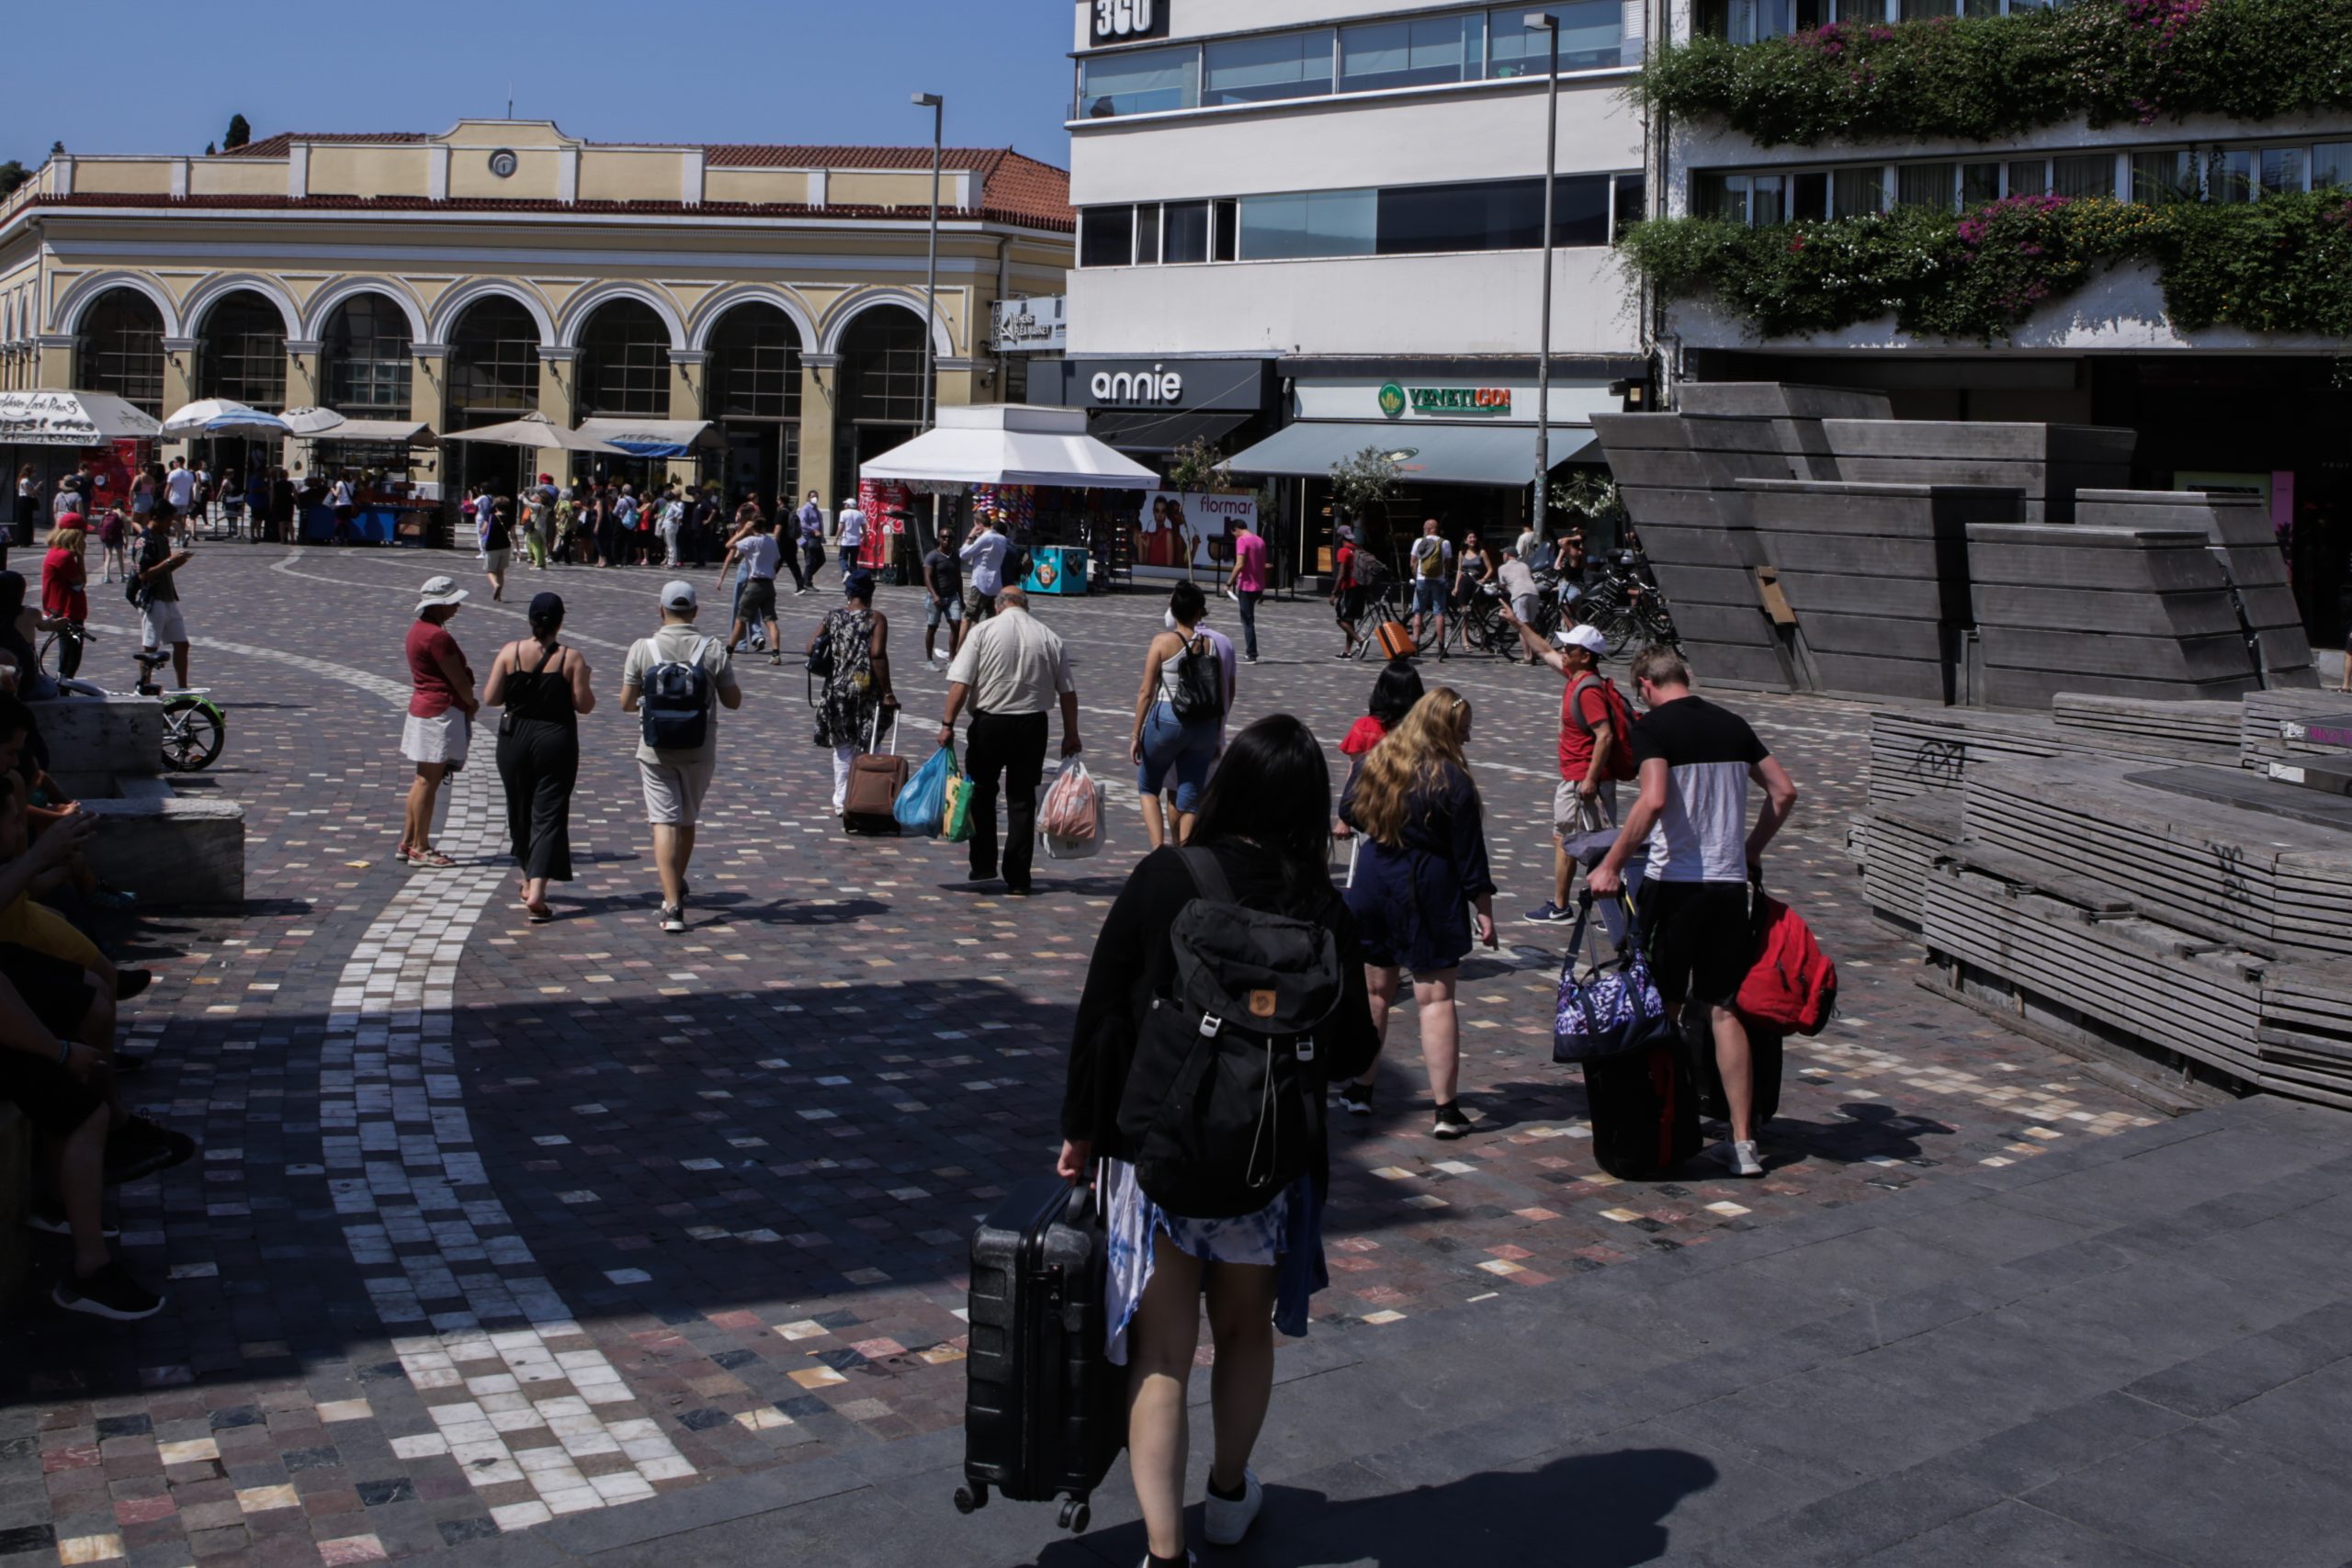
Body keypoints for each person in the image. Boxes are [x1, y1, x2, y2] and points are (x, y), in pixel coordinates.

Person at [1060, 714, 1380, 1565]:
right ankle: (1230, 1495)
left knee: (1162, 1351)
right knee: (1244, 1332)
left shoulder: (1170, 876)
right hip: (1266, 1159)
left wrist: (1080, 1131)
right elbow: (1354, 1053)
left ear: (1229, 781)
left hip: (1158, 1152)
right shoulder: (1320, 904)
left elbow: (1102, 1016)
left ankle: (1165, 1551)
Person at [1588, 646, 1801, 1179]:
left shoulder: (1653, 727)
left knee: (1663, 1007)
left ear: (1644, 684)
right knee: (1725, 1009)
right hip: (1729, 887)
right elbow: (1784, 791)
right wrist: (1750, 849)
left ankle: (1667, 1124)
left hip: (1675, 885)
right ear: (1685, 676)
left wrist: (1612, 864)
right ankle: (1744, 1143)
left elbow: (1653, 799)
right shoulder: (1733, 724)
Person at [1338, 688, 1497, 1134]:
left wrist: (1385, 825)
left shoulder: (1377, 760)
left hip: (1375, 878)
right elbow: (1470, 857)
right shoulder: (1452, 780)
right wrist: (1484, 910)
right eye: (1462, 731)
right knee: (1436, 997)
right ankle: (1446, 1110)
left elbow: (1348, 808)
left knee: (1375, 992)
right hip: (1429, 885)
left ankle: (1361, 1088)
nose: (1467, 739)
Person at [937, 585, 1080, 897]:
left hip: (990, 722)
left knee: (982, 792)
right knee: (1022, 798)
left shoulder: (982, 632)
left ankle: (984, 862)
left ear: (999, 605)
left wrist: (947, 723)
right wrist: (1071, 733)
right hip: (1032, 724)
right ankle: (1018, 876)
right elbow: (1067, 692)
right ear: (1025, 606)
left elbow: (961, 682)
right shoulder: (1048, 636)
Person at [621, 581, 741, 933]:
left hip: (655, 748)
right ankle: (677, 881)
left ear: (661, 610)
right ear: (695, 611)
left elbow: (626, 704)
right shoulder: (713, 648)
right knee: (686, 820)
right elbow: (733, 701)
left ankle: (672, 904)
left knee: (663, 820)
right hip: (699, 747)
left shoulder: (643, 649)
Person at [484, 592, 594, 923]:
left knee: (519, 807)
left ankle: (527, 877)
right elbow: (584, 705)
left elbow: (491, 698)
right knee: (549, 813)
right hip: (555, 738)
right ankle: (537, 891)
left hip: (513, 737)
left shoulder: (510, 652)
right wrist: (585, 678)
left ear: (530, 620)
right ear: (560, 621)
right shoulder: (570, 658)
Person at [1128, 581, 1224, 852]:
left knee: (1148, 786)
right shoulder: (1211, 645)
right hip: (1203, 724)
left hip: (1167, 718)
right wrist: (1216, 735)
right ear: (1199, 613)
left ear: (1173, 610)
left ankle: (1159, 851)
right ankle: (1186, 854)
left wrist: (1136, 733)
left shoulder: (1162, 642)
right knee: (1190, 797)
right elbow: (1220, 696)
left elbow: (1146, 691)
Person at [400, 578, 477, 869]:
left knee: (421, 780)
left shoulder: (417, 631)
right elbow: (457, 679)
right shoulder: (437, 637)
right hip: (439, 711)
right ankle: (421, 846)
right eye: (453, 602)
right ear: (439, 605)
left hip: (422, 708)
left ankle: (408, 841)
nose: (457, 606)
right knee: (427, 782)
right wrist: (471, 702)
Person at [811, 571, 898, 818]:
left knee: (842, 743)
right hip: (865, 688)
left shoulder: (832, 616)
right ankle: (863, 794)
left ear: (848, 592)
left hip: (836, 688)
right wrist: (888, 692)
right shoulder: (876, 619)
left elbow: (810, 647)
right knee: (869, 741)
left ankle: (841, 799)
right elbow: (877, 654)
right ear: (871, 593)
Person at [1330, 659, 1425, 851]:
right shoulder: (1421, 731)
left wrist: (1344, 818)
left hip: (1373, 809)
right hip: (1414, 810)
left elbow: (1355, 775)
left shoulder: (1364, 727)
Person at [134, 506, 193, 690]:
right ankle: (145, 686)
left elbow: (164, 570)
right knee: (150, 647)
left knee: (182, 644)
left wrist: (176, 563)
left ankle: (182, 688)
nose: (170, 524)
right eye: (168, 520)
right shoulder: (144, 540)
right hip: (153, 599)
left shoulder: (162, 538)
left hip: (168, 597)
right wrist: (169, 561)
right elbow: (143, 575)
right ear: (155, 518)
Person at [719, 515, 785, 663]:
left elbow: (728, 545)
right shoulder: (772, 542)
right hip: (768, 584)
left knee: (741, 618)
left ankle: (729, 650)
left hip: (754, 584)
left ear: (752, 527)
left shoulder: (750, 541)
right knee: (770, 620)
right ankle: (776, 653)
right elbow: (776, 561)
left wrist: (742, 533)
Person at [40, 525, 89, 681]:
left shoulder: (56, 552)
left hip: (62, 609)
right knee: (70, 659)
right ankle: (62, 691)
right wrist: (80, 555)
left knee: (68, 654)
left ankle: (63, 688)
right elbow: (80, 582)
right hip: (67, 612)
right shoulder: (64, 557)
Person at [1226, 513, 1270, 664]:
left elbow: (1240, 564)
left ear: (1236, 529)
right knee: (1249, 619)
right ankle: (1251, 652)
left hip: (1247, 586)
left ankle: (1251, 654)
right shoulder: (1260, 541)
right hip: (1259, 585)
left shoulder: (1242, 540)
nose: (1235, 538)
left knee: (1247, 620)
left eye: (1234, 534)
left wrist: (1229, 582)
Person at [1408, 518, 1452, 659]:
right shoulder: (1445, 543)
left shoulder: (1418, 542)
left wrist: (1416, 575)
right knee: (1439, 613)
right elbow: (1448, 563)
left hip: (1422, 579)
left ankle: (1415, 646)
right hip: (1438, 580)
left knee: (1418, 612)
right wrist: (1444, 574)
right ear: (1436, 529)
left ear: (1427, 528)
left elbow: (1412, 562)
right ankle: (1441, 647)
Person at [921, 529, 965, 668]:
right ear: (938, 539)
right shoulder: (932, 556)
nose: (946, 540)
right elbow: (927, 578)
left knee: (956, 625)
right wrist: (934, 596)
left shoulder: (955, 557)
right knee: (932, 627)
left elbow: (958, 578)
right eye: (943, 537)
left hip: (952, 597)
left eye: (950, 537)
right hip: (936, 597)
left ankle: (952, 659)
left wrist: (961, 598)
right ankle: (929, 660)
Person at [959, 513, 1009, 626]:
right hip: (995, 584)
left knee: (968, 617)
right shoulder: (1002, 539)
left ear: (979, 525)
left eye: (975, 525)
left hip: (980, 584)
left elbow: (963, 554)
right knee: (991, 619)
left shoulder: (985, 538)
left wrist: (970, 536)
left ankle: (961, 643)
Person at [1330, 525, 1366, 660]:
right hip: (1360, 588)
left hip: (1349, 589)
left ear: (1340, 536)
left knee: (1340, 619)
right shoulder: (1357, 549)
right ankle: (1347, 652)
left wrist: (1334, 592)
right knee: (1349, 621)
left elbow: (1341, 574)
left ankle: (1361, 641)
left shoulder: (1343, 551)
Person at [481, 498, 514, 603]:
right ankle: (499, 597)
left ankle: (495, 585)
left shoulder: (490, 517)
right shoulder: (510, 518)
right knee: (501, 572)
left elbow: (483, 530)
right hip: (505, 546)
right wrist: (517, 548)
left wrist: (481, 531)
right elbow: (513, 534)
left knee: (490, 571)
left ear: (496, 506)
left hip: (492, 546)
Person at [796, 491, 826, 593]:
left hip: (816, 538)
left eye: (816, 496)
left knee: (821, 559)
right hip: (808, 538)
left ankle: (805, 579)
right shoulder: (806, 508)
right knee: (810, 561)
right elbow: (803, 523)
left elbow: (819, 523)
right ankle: (807, 582)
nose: (815, 498)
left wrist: (822, 536)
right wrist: (813, 530)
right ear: (808, 497)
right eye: (813, 496)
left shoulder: (816, 509)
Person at [835, 494, 867, 581]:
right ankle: (853, 577)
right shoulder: (860, 514)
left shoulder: (843, 513)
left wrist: (836, 538)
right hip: (856, 541)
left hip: (846, 540)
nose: (844, 505)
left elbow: (841, 527)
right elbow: (864, 527)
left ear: (849, 505)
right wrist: (866, 538)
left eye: (845, 504)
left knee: (842, 558)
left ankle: (846, 571)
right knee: (853, 561)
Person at [327, 470, 356, 546]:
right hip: (348, 506)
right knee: (345, 524)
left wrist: (332, 489)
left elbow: (336, 494)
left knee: (338, 523)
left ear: (341, 476)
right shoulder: (351, 483)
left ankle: (336, 539)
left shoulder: (340, 483)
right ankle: (346, 540)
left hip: (340, 505)